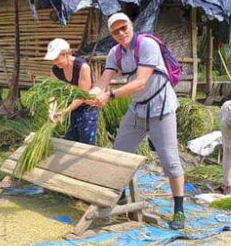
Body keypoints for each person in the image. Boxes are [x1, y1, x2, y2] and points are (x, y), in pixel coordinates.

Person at [89, 12, 186, 230]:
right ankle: (121, 197)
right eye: (115, 31)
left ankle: (179, 211)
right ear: (112, 34)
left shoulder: (147, 45)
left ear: (132, 26)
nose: (121, 33)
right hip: (138, 108)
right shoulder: (115, 53)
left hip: (161, 107)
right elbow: (104, 79)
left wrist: (110, 96)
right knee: (119, 153)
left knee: (169, 160)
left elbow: (141, 82)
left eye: (124, 28)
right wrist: (91, 96)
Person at [44, 38, 99, 145]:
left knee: (86, 141)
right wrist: (51, 111)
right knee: (70, 139)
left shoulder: (82, 67)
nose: (55, 62)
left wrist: (65, 111)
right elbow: (53, 92)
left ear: (67, 53)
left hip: (87, 107)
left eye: (57, 58)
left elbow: (82, 95)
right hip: (70, 107)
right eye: (53, 59)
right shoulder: (55, 69)